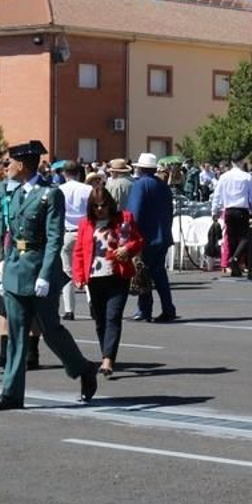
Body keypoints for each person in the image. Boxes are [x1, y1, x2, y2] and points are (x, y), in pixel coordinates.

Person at [0, 139, 98, 411]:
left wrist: (46, 275)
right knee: (17, 334)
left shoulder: (50, 194)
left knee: (51, 331)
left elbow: (54, 238)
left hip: (39, 270)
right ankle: (11, 394)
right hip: (15, 270)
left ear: (23, 164)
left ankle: (83, 369)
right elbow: (10, 234)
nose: (7, 166)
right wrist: (4, 267)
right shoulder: (11, 193)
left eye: (10, 162)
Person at [70, 184, 143, 377]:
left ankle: (108, 360)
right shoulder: (85, 223)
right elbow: (78, 252)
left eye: (103, 205)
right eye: (95, 206)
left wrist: (127, 249)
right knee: (100, 320)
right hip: (94, 278)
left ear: (110, 204)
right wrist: (78, 276)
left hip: (117, 275)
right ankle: (106, 353)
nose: (100, 209)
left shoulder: (124, 219)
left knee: (113, 317)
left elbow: (138, 240)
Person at [126, 152, 178, 323]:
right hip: (162, 235)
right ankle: (168, 308)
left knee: (142, 272)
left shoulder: (140, 185)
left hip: (146, 236)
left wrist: (130, 235)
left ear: (140, 168)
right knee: (159, 273)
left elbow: (135, 213)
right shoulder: (163, 186)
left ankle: (144, 309)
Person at [213, 152, 252, 279]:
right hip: (242, 209)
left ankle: (235, 267)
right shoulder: (247, 177)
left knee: (232, 239)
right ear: (242, 161)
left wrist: (214, 210)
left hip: (228, 210)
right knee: (245, 237)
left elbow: (217, 195)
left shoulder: (224, 177)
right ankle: (235, 259)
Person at [57, 163, 93, 321]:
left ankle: (69, 309)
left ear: (65, 173)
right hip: (85, 231)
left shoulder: (59, 190)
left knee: (67, 272)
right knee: (88, 270)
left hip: (67, 232)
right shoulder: (88, 189)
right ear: (79, 173)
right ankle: (92, 303)